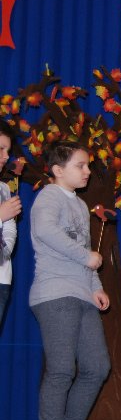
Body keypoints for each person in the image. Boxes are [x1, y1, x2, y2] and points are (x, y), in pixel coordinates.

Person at [30, 141, 110, 420]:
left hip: (81, 293)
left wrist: (96, 286)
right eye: (80, 165)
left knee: (97, 367)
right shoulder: (49, 196)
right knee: (62, 369)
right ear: (58, 170)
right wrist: (85, 257)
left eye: (87, 165)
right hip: (55, 293)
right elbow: (45, 230)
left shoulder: (79, 204)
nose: (87, 171)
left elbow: (85, 252)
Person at [0, 120, 23, 324]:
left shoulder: (4, 189)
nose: (6, 156)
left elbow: (10, 229)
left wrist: (4, 253)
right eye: (1, 149)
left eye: (7, 151)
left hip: (2, 278)